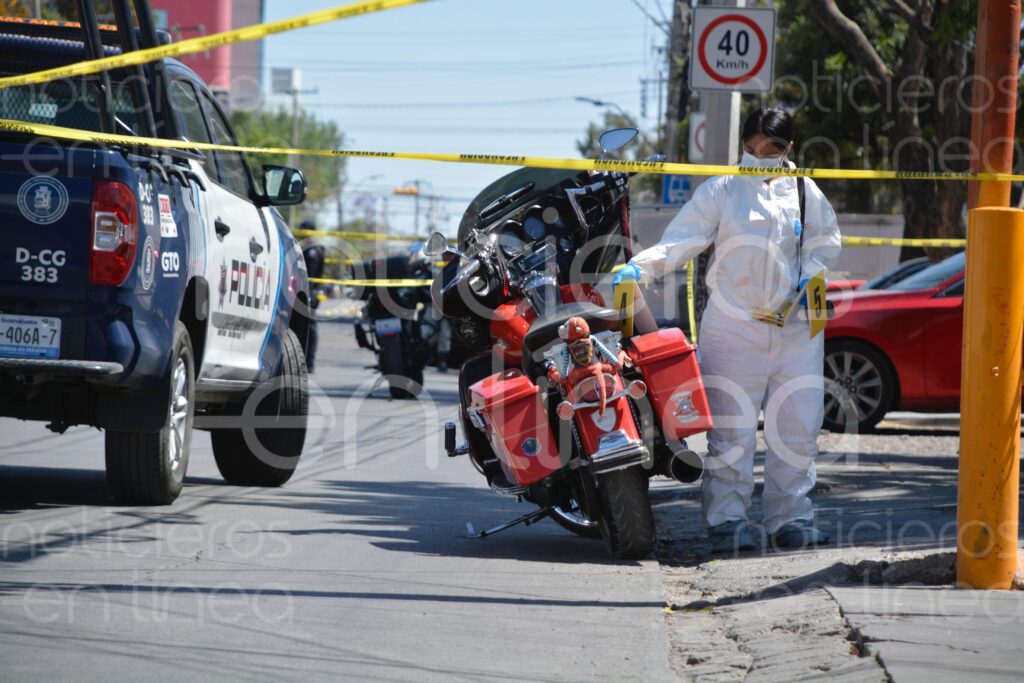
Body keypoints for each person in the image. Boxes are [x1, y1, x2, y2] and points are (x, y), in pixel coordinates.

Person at [616, 107, 842, 552]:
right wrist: (640, 268)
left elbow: (825, 245)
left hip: (796, 330)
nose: (759, 157)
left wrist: (810, 278)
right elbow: (683, 239)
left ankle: (791, 519)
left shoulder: (805, 191)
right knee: (731, 431)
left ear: (789, 148)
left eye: (770, 151)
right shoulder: (723, 189)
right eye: (751, 149)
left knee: (798, 428)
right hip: (734, 327)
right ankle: (727, 522)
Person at [300, 220, 325, 373]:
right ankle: (304, 361)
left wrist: (310, 292)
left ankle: (309, 362)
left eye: (303, 230)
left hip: (310, 291)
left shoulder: (313, 250)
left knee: (310, 326)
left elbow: (311, 272)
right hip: (307, 291)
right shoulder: (310, 247)